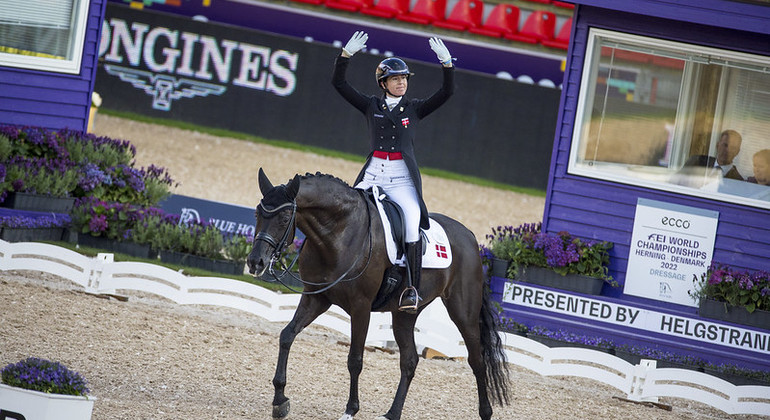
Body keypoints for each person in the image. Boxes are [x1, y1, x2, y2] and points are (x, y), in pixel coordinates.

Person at [332, 31, 454, 313]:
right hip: (374, 173)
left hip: (401, 178)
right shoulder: (370, 105)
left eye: (404, 79)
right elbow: (338, 83)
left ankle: (410, 289)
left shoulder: (415, 108)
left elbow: (447, 93)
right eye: (396, 79)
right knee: (348, 215)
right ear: (383, 82)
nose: (402, 83)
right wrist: (345, 56)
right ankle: (339, 272)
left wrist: (447, 63)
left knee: (412, 222)